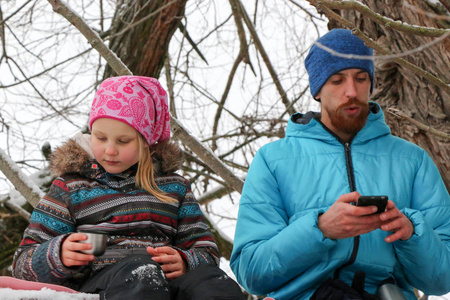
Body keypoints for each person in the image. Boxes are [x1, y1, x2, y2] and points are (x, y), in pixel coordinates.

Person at [230, 29, 450, 300]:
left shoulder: (413, 160)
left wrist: (412, 235)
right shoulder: (273, 160)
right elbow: (251, 272)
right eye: (337, 80)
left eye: (361, 78)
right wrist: (319, 229)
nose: (352, 91)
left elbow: (443, 279)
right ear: (318, 90)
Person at [13, 75, 245, 300]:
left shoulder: (174, 188)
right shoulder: (72, 188)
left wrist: (185, 261)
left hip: (169, 286)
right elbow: (22, 265)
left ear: (146, 140)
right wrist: (58, 254)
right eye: (101, 138)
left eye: (123, 141)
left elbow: (207, 252)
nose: (110, 150)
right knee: (141, 272)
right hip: (101, 288)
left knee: (213, 281)